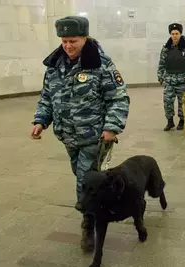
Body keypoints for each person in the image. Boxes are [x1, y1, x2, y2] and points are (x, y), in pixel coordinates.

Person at [29, 16, 130, 253]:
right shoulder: (55, 65)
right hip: (68, 137)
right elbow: (47, 97)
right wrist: (40, 120)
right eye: (64, 41)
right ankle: (100, 206)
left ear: (85, 38)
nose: (68, 46)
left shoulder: (101, 64)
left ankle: (89, 224)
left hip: (94, 137)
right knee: (82, 176)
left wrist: (111, 127)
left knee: (85, 180)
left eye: (73, 41)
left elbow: (118, 98)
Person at [157, 22, 185, 131]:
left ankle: (181, 121)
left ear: (180, 34)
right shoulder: (166, 48)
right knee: (167, 102)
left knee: (183, 102)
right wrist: (160, 76)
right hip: (169, 80)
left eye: (177, 33)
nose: (174, 35)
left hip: (182, 80)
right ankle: (170, 122)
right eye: (172, 33)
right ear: (170, 34)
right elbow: (161, 63)